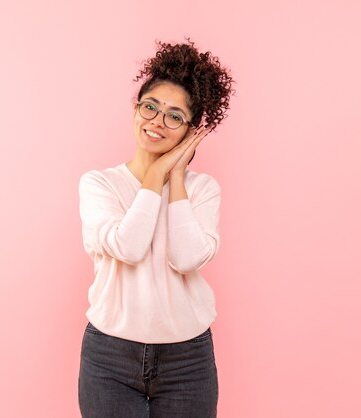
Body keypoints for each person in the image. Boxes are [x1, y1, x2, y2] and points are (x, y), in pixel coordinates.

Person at [77, 37, 235, 418]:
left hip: (188, 360)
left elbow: (185, 258)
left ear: (190, 130)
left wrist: (175, 176)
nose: (157, 122)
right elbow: (128, 247)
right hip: (109, 359)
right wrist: (158, 172)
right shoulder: (100, 185)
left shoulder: (202, 190)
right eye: (150, 107)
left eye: (174, 116)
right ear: (135, 109)